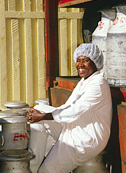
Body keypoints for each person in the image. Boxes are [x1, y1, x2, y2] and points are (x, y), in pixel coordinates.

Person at [27, 43, 112, 173]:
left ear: (95, 62)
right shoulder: (85, 81)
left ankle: (44, 167)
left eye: (85, 61)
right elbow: (67, 107)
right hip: (74, 126)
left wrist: (44, 116)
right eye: (78, 60)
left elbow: (75, 110)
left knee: (47, 171)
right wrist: (40, 113)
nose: (80, 65)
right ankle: (33, 166)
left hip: (85, 138)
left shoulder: (98, 84)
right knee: (40, 109)